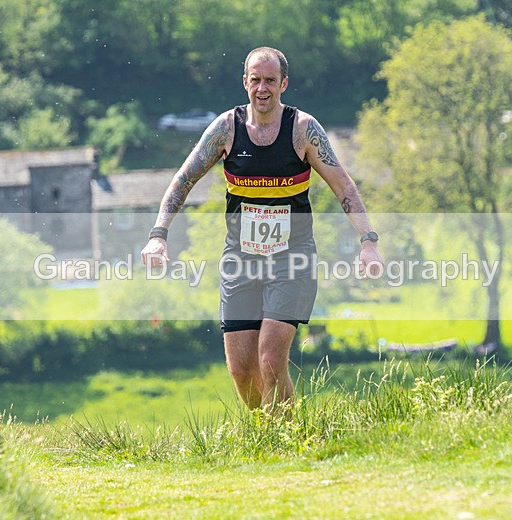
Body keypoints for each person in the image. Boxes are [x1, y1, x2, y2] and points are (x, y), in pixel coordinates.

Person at [141, 46, 383, 411]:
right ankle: (263, 436)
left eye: (270, 80)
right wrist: (158, 236)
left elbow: (344, 186)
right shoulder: (226, 128)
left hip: (293, 260)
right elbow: (182, 181)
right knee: (241, 368)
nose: (263, 88)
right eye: (255, 79)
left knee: (270, 359)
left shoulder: (303, 130)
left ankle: (288, 437)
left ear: (284, 83)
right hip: (240, 259)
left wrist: (368, 243)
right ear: (245, 82)